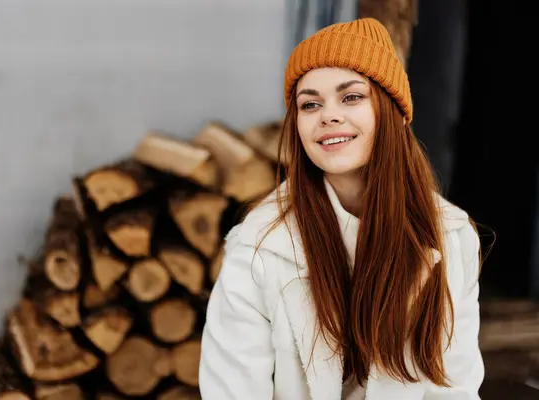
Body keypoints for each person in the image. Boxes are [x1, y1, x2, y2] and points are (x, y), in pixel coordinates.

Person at [198, 17, 484, 400]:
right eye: (310, 103)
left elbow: (456, 390)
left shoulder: (450, 236)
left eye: (351, 97)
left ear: (394, 111)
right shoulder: (259, 248)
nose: (327, 115)